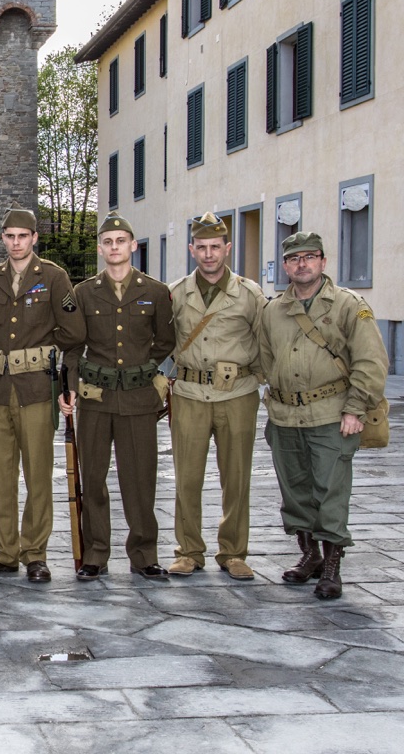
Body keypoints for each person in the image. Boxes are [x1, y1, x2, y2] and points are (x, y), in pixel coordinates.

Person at [0, 203, 85, 583]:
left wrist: (47, 356)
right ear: (3, 240)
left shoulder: (54, 278)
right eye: (9, 237)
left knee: (38, 476)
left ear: (34, 238)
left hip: (36, 391)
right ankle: (3, 552)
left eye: (22, 236)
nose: (15, 243)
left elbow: (75, 333)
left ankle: (35, 554)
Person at [260, 231, 388, 599]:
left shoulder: (348, 305)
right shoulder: (273, 310)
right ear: (285, 265)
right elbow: (266, 357)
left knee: (330, 491)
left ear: (322, 261)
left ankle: (332, 567)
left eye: (309, 257)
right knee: (295, 491)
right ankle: (310, 556)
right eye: (294, 258)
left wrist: (355, 408)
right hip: (285, 416)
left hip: (332, 415)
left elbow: (371, 361)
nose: (302, 264)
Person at [59, 211, 175, 581]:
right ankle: (96, 552)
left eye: (120, 241)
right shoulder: (83, 292)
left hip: (139, 399)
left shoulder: (155, 292)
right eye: (108, 242)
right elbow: (74, 345)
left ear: (132, 246)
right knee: (92, 478)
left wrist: (143, 369)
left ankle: (143, 554)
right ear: (100, 248)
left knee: (140, 479)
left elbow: (166, 342)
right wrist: (71, 386)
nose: (114, 247)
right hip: (97, 398)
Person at [166, 213, 266, 581]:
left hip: (236, 394)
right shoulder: (177, 293)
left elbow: (265, 342)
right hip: (190, 393)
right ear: (192, 249)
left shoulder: (250, 294)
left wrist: (258, 380)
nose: (209, 255)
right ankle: (188, 550)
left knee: (236, 477)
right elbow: (163, 340)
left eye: (215, 247)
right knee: (186, 478)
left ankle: (234, 551)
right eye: (201, 247)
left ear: (227, 248)